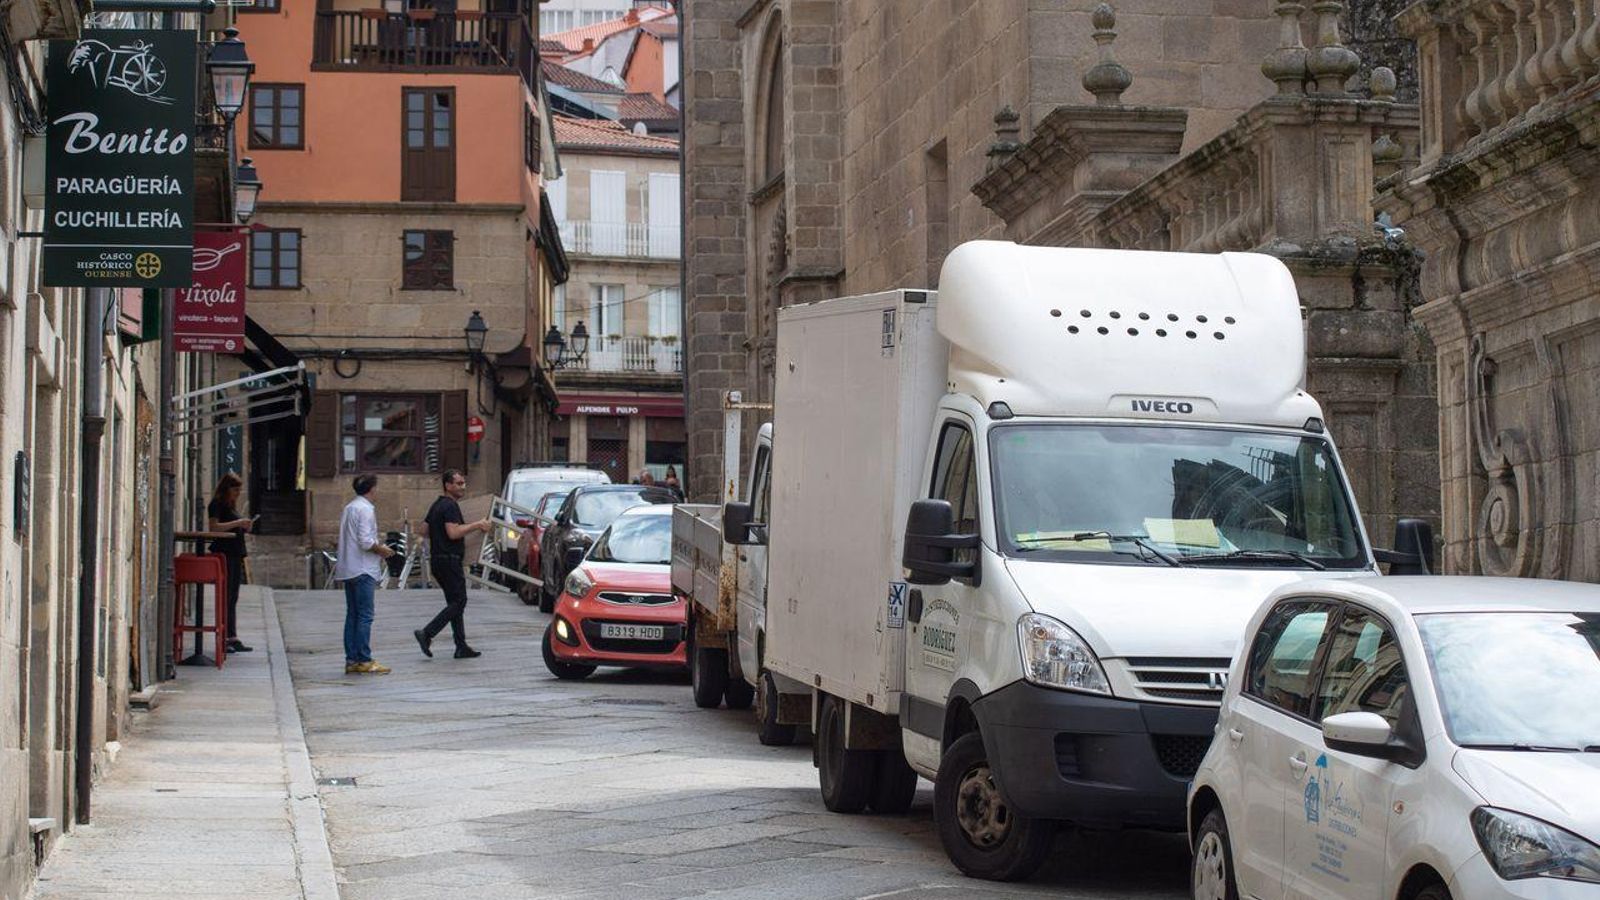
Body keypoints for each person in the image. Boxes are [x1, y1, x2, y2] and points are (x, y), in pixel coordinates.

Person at [414, 469, 492, 659]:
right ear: (447, 485)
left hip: (439, 560)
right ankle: (427, 633)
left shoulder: (437, 505)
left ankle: (461, 645)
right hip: (449, 560)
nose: (462, 487)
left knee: (454, 603)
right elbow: (453, 533)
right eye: (458, 483)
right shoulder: (449, 506)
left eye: (463, 483)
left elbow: (423, 530)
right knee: (459, 601)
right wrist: (477, 525)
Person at [334, 474, 395, 675]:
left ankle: (351, 659)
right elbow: (366, 541)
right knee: (365, 616)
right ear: (372, 489)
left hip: (349, 568)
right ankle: (364, 658)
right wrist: (383, 550)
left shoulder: (349, 507)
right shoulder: (366, 509)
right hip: (363, 568)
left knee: (352, 614)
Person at [207, 473, 255, 654]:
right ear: (226, 489)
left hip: (235, 553)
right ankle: (225, 637)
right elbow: (214, 527)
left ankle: (232, 636)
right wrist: (238, 522)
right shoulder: (216, 504)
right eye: (235, 490)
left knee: (233, 596)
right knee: (226, 595)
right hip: (225, 553)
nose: (237, 494)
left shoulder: (230, 505)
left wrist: (243, 527)